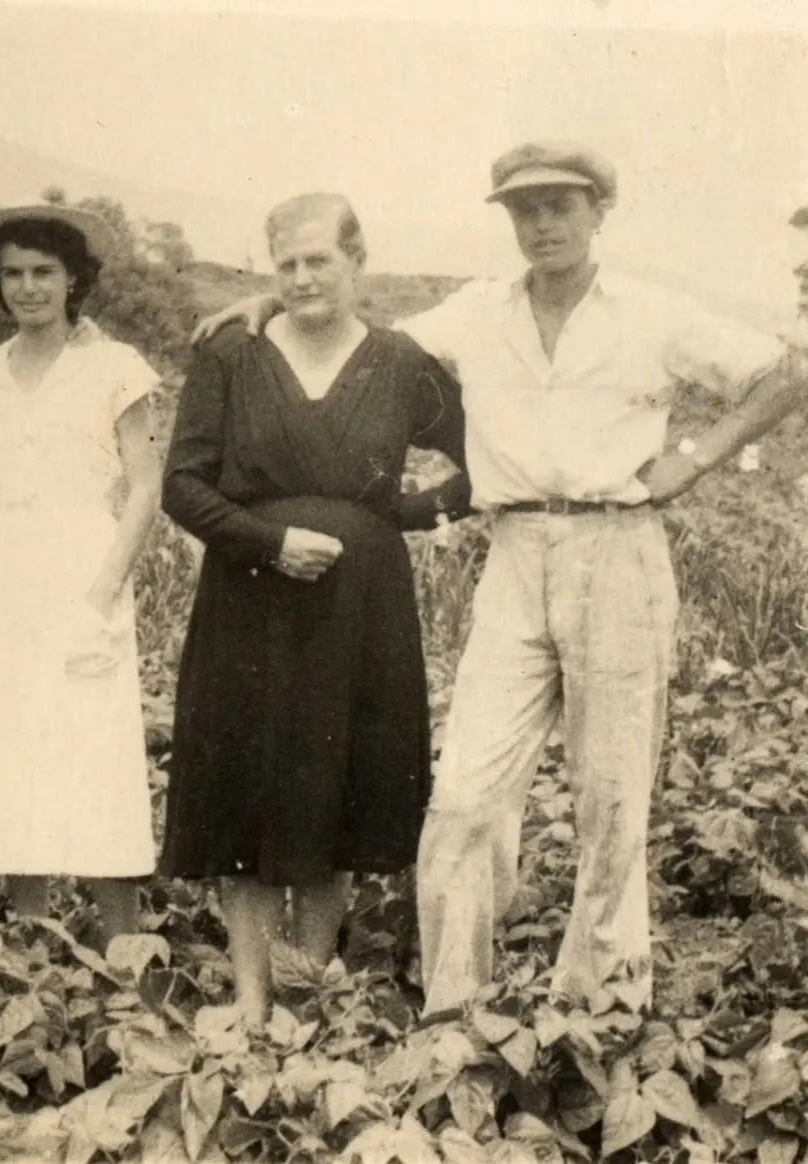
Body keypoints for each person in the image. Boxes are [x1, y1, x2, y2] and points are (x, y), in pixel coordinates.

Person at [197, 142, 808, 1015]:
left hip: (618, 549)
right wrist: (276, 298)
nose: (542, 225)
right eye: (524, 209)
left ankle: (602, 1007)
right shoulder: (477, 314)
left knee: (609, 797)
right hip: (516, 553)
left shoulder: (653, 311)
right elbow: (361, 337)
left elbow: (783, 370)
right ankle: (454, 1010)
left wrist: (695, 457)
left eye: (561, 206)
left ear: (601, 210)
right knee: (466, 797)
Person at [162, 193, 472, 1024]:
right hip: (249, 599)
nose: (302, 279)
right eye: (287, 264)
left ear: (356, 261)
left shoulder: (402, 362)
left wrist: (395, 518)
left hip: (359, 608)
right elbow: (182, 485)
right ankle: (253, 1004)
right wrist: (267, 544)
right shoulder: (232, 355)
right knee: (248, 791)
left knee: (335, 792)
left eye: (319, 261)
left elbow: (485, 452)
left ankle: (307, 996)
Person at [0, 205, 161, 948]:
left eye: (44, 272)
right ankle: (31, 951)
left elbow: (144, 488)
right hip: (3, 581)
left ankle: (124, 956)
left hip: (83, 569)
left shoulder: (116, 367)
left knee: (93, 755)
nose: (28, 287)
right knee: (12, 756)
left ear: (75, 279)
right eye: (13, 274)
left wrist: (101, 596)